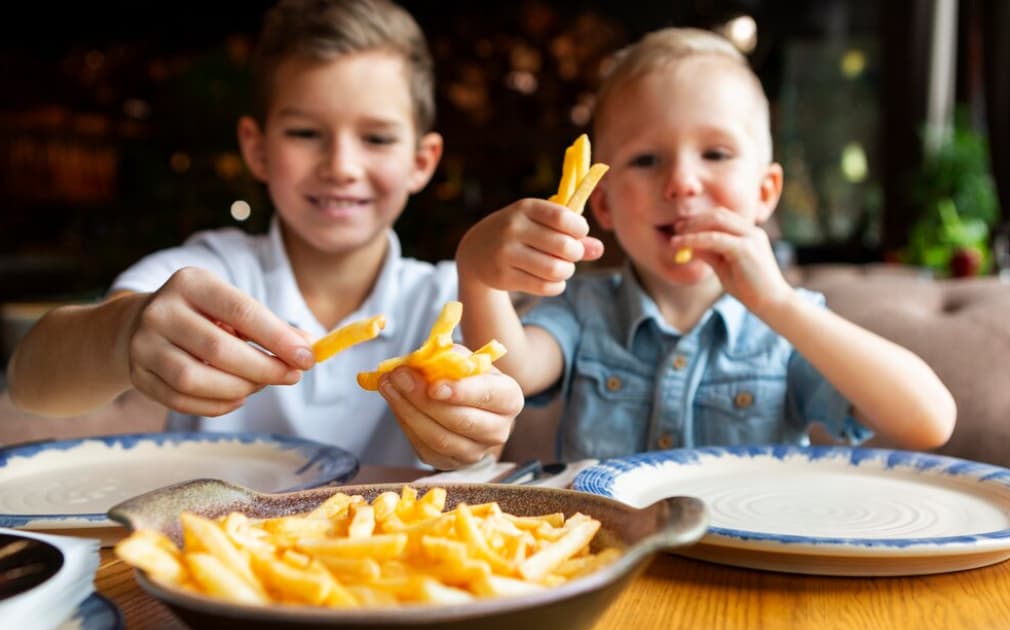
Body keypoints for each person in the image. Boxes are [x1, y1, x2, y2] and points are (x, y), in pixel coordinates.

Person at [6, 0, 523, 470]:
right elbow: (32, 381)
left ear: (421, 161)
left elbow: (490, 445)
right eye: (305, 133)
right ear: (256, 148)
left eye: (376, 138)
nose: (341, 166)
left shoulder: (450, 298)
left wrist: (475, 436)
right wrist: (123, 333)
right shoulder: (212, 273)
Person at [455, 27, 956, 462]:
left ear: (765, 193)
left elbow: (928, 421)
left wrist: (778, 304)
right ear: (603, 206)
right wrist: (478, 275)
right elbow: (510, 375)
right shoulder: (585, 312)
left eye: (715, 153)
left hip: (748, 570)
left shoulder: (786, 328)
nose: (682, 183)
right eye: (647, 160)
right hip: (618, 563)